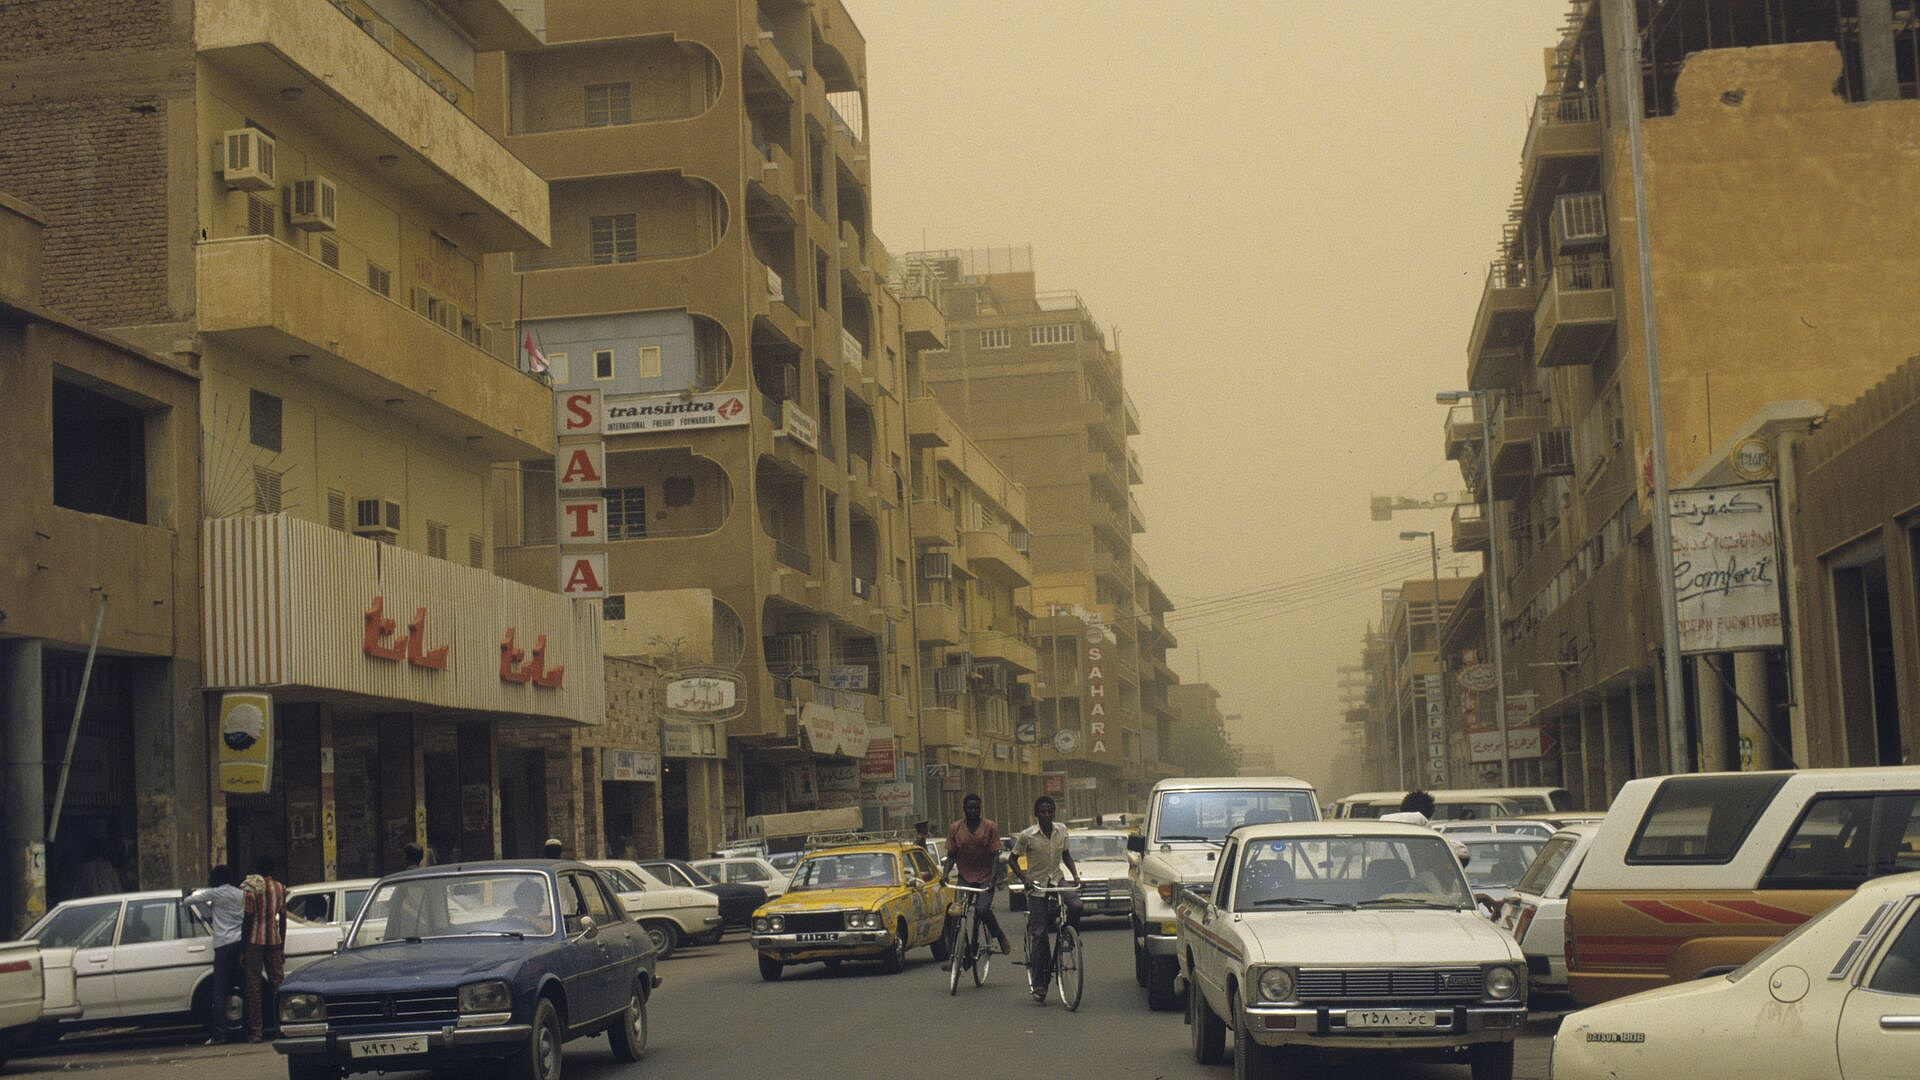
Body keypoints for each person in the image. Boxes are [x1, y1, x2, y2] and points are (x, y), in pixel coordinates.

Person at [1012, 795, 1082, 1003]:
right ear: (1036, 814)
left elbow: (1066, 855)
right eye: (1042, 811)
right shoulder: (1027, 836)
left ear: (1054, 812)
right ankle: (1040, 983)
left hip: (1057, 880)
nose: (1047, 814)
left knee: (1077, 905)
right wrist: (1024, 878)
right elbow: (1012, 860)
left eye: (1050, 811)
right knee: (1040, 934)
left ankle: (1070, 937)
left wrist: (1075, 875)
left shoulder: (1062, 830)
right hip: (1037, 886)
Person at [939, 794, 1010, 967]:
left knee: (982, 909)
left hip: (986, 876)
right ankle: (960, 954)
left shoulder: (990, 827)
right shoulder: (955, 828)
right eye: (970, 808)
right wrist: (945, 875)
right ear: (964, 809)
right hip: (964, 876)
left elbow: (995, 855)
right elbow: (951, 856)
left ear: (980, 809)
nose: (973, 811)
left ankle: (998, 934)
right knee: (956, 915)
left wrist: (993, 880)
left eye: (976, 808)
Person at [184, 865, 245, 1044]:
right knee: (243, 987)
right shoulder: (239, 894)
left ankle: (220, 1034)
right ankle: (246, 1030)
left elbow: (188, 901)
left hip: (223, 945)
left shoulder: (216, 893)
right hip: (239, 943)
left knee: (219, 991)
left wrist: (191, 894)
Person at [240, 855, 288, 1042]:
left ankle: (256, 1031)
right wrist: (282, 944)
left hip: (254, 940)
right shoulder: (280, 888)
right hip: (274, 940)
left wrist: (243, 948)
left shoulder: (253, 889)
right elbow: (282, 918)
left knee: (253, 986)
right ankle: (282, 1027)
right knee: (278, 984)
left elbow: (248, 919)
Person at [1381, 790, 1471, 865]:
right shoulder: (1430, 841)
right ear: (1429, 816)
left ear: (1401, 810)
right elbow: (1462, 852)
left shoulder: (1376, 836)